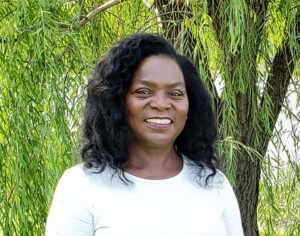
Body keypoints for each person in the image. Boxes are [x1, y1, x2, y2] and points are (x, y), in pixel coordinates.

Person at [45, 34, 244, 236]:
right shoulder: (82, 186)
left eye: (175, 93)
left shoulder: (215, 184)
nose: (161, 104)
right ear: (118, 102)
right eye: (143, 91)